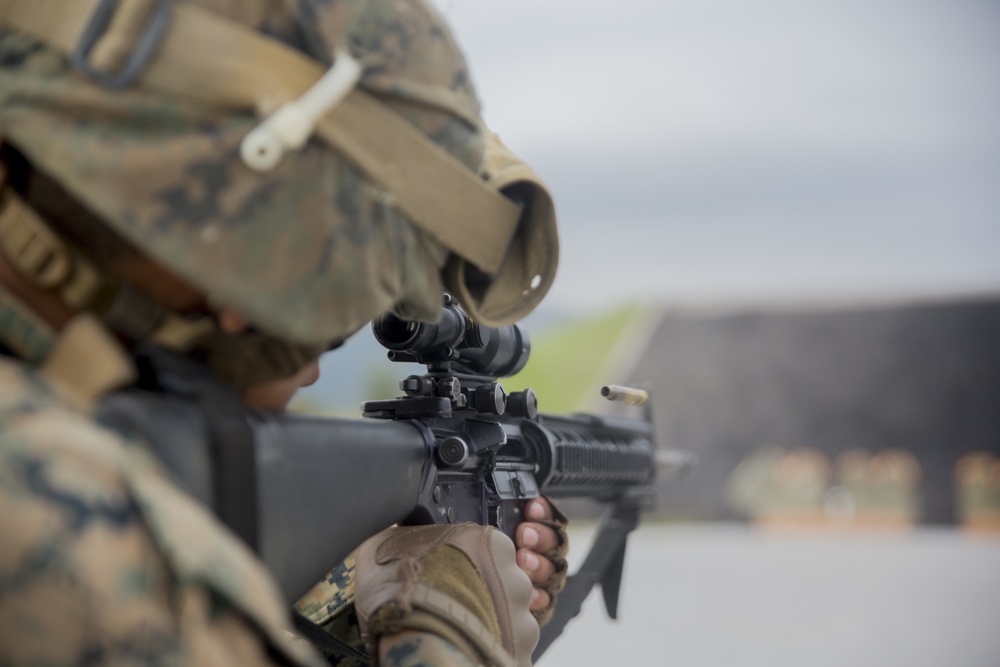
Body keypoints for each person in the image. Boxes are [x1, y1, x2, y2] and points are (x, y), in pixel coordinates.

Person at [0, 1, 565, 665]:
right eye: (325, 329)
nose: (310, 374)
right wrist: (450, 623)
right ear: (244, 270)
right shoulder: (46, 502)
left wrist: (367, 584)